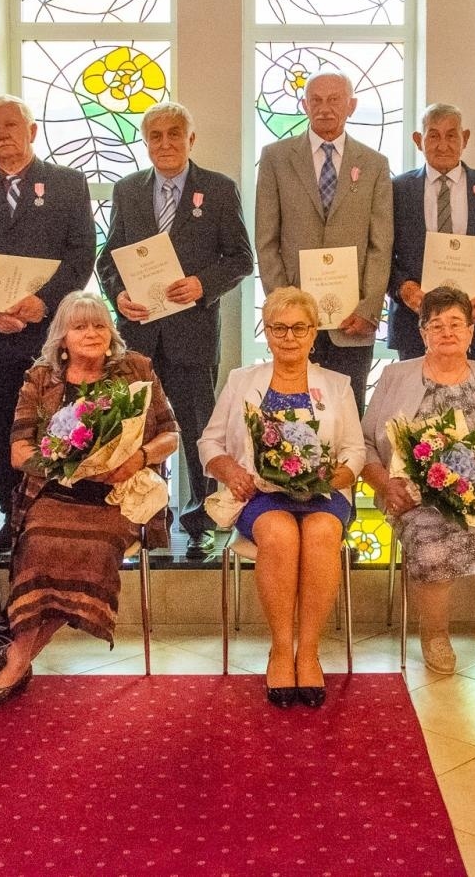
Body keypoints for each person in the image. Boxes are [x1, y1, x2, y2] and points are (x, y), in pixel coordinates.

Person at [0, 292, 179, 708]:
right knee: (40, 544)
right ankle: (20, 657)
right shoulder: (40, 379)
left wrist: (137, 458)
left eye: (99, 325)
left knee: (92, 549)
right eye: (80, 326)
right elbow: (18, 452)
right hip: (54, 491)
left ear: (111, 332)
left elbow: (171, 435)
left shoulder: (136, 369)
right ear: (62, 338)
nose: (91, 333)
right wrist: (66, 462)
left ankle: (16, 659)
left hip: (118, 495)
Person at [97, 100, 254, 557]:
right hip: (140, 333)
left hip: (193, 334)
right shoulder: (128, 190)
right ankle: (145, 517)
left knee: (197, 429)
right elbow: (108, 259)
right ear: (145, 143)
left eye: (174, 134)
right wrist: (117, 296)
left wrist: (203, 284)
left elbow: (241, 259)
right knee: (138, 429)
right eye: (155, 136)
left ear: (191, 139)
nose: (165, 143)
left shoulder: (218, 189)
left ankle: (201, 518)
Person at [198, 287, 365, 708]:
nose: (289, 337)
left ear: (314, 332)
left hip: (323, 492)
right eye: (279, 328)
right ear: (267, 332)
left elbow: (355, 450)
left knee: (322, 533)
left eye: (299, 328)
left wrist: (334, 476)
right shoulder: (241, 381)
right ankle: (279, 649)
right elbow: (209, 442)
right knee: (280, 534)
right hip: (259, 492)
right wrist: (232, 472)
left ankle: (307, 652)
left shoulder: (337, 385)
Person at [360, 287, 475, 694]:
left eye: (456, 323)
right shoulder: (395, 376)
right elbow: (364, 443)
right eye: (436, 325)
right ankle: (434, 635)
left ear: (471, 331)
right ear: (422, 333)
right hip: (417, 498)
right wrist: (385, 485)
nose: (447, 332)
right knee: (430, 540)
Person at [0, 95, 94, 529]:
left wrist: (44, 302)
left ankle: (63, 511)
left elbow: (82, 254)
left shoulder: (69, 184)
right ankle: (13, 518)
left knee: (63, 426)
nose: (2, 134)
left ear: (31, 130)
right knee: (7, 430)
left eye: (11, 125)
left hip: (53, 336)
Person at [254, 71, 392, 410]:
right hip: (294, 326)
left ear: (351, 105)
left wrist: (369, 308)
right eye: (315, 100)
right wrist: (284, 307)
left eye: (334, 100)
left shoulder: (374, 164)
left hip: (353, 322)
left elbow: (381, 245)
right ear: (304, 105)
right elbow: (266, 240)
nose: (325, 108)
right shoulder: (276, 158)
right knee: (293, 415)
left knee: (347, 413)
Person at [386, 104, 475, 365]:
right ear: (418, 140)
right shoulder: (396, 191)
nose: (442, 145)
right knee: (414, 393)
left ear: (465, 138)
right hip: (414, 325)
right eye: (433, 135)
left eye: (451, 135)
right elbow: (380, 254)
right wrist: (403, 288)